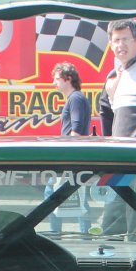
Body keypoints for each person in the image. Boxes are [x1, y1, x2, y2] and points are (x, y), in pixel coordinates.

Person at [48, 62, 91, 232]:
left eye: (57, 78)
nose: (54, 82)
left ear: (69, 78)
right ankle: (84, 234)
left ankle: (55, 234)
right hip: (75, 157)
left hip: (71, 157)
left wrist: (67, 158)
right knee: (78, 197)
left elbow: (77, 129)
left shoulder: (75, 98)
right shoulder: (77, 98)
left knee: (52, 195)